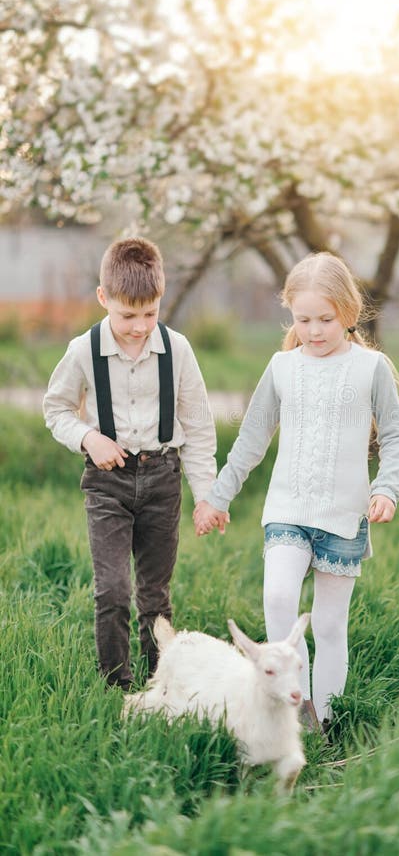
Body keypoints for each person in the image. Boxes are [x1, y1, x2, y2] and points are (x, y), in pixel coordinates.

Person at [193, 251, 399, 732]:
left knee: (330, 626)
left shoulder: (370, 369)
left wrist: (387, 488)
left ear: (348, 314)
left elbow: (395, 436)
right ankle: (294, 709)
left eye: (325, 320)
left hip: (343, 517)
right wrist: (217, 497)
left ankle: (325, 722)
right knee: (278, 597)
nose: (314, 330)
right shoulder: (282, 367)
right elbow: (251, 440)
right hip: (287, 510)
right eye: (303, 319)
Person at [43, 237, 217, 691]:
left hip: (163, 479)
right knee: (113, 591)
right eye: (127, 315)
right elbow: (55, 409)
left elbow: (197, 426)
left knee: (155, 595)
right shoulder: (84, 349)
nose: (140, 327)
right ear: (104, 299)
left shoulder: (177, 350)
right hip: (108, 483)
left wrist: (206, 495)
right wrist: (88, 437)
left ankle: (159, 685)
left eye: (150, 313)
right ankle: (114, 687)